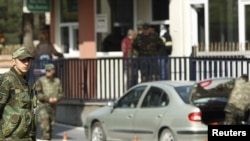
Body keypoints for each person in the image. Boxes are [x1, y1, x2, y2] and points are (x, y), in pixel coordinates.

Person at [0, 46, 37, 140]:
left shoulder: (27, 81)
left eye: (28, 60)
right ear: (13, 62)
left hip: (27, 136)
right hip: (10, 138)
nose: (26, 63)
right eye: (22, 60)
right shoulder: (7, 80)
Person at [34, 63, 64, 140]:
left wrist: (57, 98)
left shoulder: (57, 81)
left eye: (49, 70)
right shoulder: (41, 80)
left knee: (51, 128)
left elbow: (62, 93)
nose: (48, 72)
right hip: (43, 106)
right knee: (45, 128)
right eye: (47, 70)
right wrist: (47, 99)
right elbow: (37, 93)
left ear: (53, 71)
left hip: (53, 107)